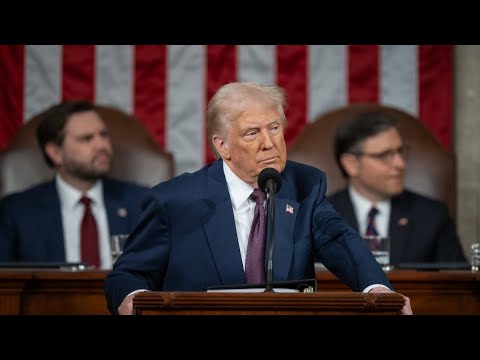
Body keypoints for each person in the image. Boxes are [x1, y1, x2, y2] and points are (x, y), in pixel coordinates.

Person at [104, 82, 412, 315]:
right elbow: (128, 274)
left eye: (275, 128)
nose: (269, 144)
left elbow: (340, 241)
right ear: (222, 146)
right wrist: (134, 298)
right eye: (252, 133)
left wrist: (378, 290)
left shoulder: (305, 185)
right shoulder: (173, 201)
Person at [0, 100, 152, 269]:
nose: (102, 145)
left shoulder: (141, 202)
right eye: (86, 139)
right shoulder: (18, 211)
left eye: (104, 135)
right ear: (56, 153)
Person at [327, 110, 466, 267]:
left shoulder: (432, 215)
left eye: (400, 152)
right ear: (351, 164)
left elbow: (459, 285)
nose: (400, 163)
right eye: (385, 155)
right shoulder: (317, 218)